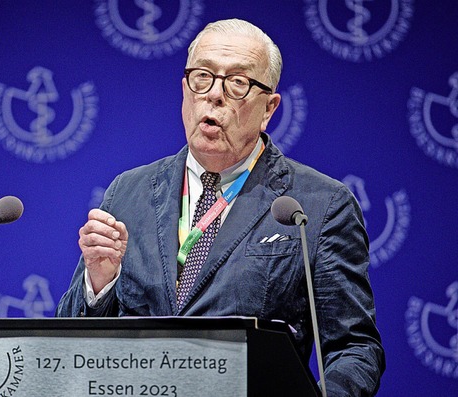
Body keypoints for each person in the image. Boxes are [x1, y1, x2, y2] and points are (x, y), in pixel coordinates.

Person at [56, 18, 385, 396]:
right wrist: (99, 283)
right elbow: (70, 344)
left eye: (237, 83)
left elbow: (355, 348)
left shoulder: (318, 205)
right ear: (184, 91)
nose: (214, 96)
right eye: (202, 78)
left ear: (269, 107)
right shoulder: (128, 192)